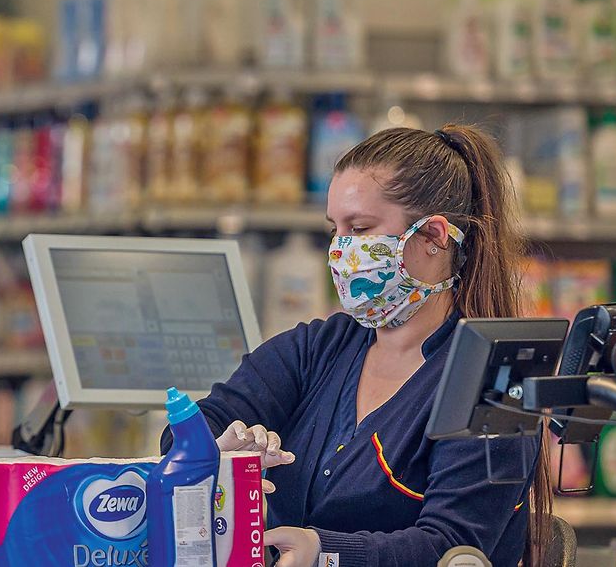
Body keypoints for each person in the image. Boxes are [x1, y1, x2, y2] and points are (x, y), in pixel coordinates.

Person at [185, 125, 550, 566]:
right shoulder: (319, 348)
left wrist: (324, 551)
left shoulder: (494, 379)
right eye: (335, 230)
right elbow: (198, 424)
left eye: (359, 229)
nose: (340, 251)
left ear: (433, 237)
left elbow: (453, 548)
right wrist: (213, 451)